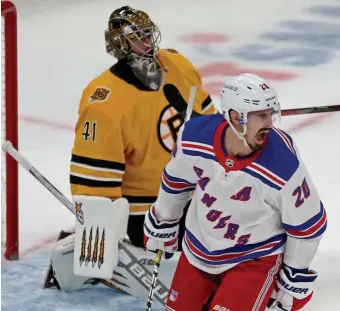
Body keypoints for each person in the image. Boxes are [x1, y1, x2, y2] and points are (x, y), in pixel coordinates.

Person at [43, 5, 215, 296]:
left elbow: (211, 128)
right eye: (138, 37)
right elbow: (93, 180)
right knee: (208, 257)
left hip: (196, 189)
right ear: (118, 44)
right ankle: (115, 265)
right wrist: (97, 237)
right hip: (149, 207)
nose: (148, 43)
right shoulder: (105, 100)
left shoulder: (178, 65)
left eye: (148, 34)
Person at [144, 73, 327, 311]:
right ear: (234, 116)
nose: (269, 123)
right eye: (261, 115)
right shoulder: (193, 138)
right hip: (198, 249)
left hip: (254, 257)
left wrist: (292, 278)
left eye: (271, 114)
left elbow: (307, 226)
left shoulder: (283, 164)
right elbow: (177, 181)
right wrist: (165, 220)